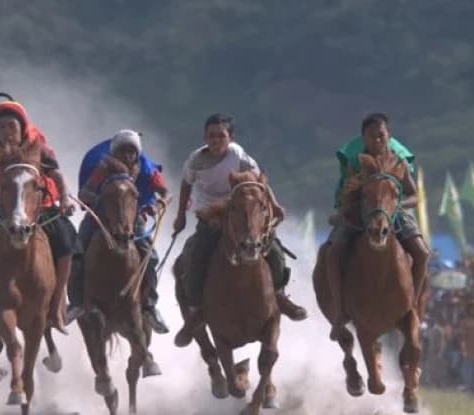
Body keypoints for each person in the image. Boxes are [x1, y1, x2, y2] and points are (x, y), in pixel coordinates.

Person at [172, 114, 307, 347]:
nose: (215, 140)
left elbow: (259, 182)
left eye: (221, 136)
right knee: (196, 255)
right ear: (205, 138)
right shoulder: (195, 160)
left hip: (243, 212)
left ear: (230, 138)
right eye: (211, 136)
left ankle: (280, 296)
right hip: (212, 216)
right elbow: (186, 183)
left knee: (273, 248)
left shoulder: (237, 154)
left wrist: (273, 205)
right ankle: (196, 310)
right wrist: (181, 215)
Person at [0, 94, 77, 334]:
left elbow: (57, 176)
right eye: (1, 127)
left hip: (41, 206)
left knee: (67, 243)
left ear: (22, 128)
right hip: (2, 208)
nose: (6, 131)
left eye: (12, 126)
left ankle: (56, 304)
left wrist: (64, 198)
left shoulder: (39, 147)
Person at [324, 113, 430, 334]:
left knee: (422, 254)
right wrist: (344, 212)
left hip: (392, 212)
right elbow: (346, 194)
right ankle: (340, 310)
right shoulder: (356, 161)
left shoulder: (397, 161)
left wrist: (396, 206)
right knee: (333, 253)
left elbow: (414, 195)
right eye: (372, 137)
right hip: (359, 211)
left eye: (381, 136)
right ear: (364, 138)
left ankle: (412, 306)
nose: (377, 141)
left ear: (388, 136)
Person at [68, 129, 170, 334]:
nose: (127, 156)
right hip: (99, 218)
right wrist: (97, 201)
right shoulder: (103, 168)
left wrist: (156, 206)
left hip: (133, 219)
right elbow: (84, 192)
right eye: (123, 151)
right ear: (115, 152)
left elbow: (165, 193)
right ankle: (77, 302)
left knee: (150, 257)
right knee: (77, 252)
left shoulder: (146, 168)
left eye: (131, 152)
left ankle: (149, 306)